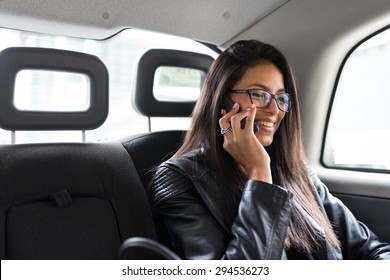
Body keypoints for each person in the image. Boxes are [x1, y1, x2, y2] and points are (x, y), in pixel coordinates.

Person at [151, 40, 390, 259]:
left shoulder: (296, 171)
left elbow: (371, 249)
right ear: (222, 100)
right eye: (259, 94)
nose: (274, 110)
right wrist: (259, 171)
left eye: (280, 97)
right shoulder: (180, 179)